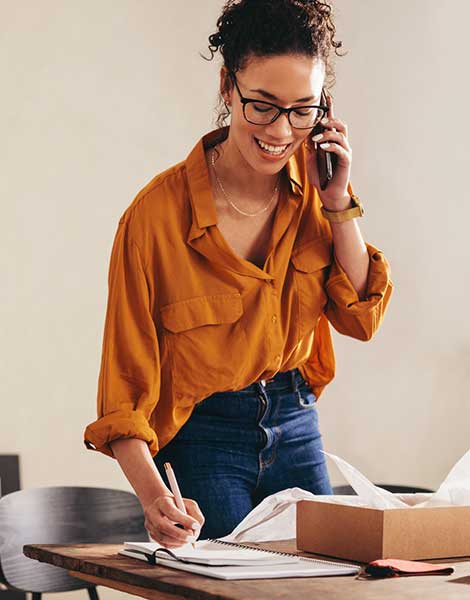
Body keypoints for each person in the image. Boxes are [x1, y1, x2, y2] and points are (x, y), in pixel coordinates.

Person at [84, 0, 393, 548]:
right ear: (228, 86)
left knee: (322, 585)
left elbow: (361, 317)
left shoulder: (317, 191)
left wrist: (339, 199)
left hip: (296, 421)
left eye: (304, 110)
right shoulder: (155, 219)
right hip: (204, 437)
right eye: (263, 106)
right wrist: (155, 498)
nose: (282, 131)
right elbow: (123, 391)